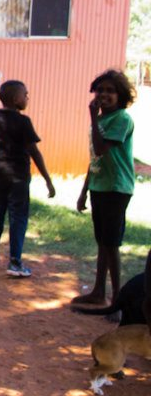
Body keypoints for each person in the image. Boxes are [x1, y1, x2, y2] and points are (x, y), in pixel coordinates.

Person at [0, 80, 56, 278]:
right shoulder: (23, 121)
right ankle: (15, 262)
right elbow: (34, 152)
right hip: (18, 174)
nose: (27, 97)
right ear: (14, 98)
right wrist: (47, 179)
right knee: (18, 217)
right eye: (24, 94)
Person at [73, 69, 136, 307]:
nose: (104, 95)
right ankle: (98, 292)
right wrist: (83, 192)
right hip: (100, 186)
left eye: (111, 91)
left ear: (121, 96)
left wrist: (92, 116)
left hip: (117, 187)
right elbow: (94, 160)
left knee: (111, 244)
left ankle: (117, 300)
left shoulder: (122, 119)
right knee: (102, 242)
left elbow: (100, 149)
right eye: (100, 90)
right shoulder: (100, 120)